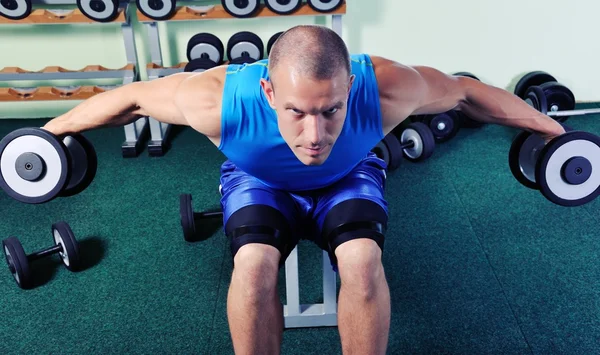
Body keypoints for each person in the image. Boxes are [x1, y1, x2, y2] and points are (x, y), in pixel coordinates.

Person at [42, 25, 565, 355]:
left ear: (351, 89)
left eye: (331, 110)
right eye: (296, 112)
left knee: (362, 262)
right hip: (260, 182)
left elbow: (468, 94)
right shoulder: (216, 99)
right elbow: (130, 100)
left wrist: (556, 137)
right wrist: (48, 139)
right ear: (269, 92)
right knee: (253, 268)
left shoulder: (386, 86)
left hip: (348, 177)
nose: (314, 135)